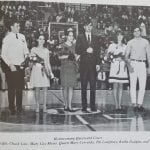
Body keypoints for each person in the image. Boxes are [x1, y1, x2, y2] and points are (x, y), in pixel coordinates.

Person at [1, 19, 29, 115]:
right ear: (12, 27)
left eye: (19, 26)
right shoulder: (7, 38)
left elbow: (26, 50)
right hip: (11, 66)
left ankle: (19, 107)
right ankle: (12, 107)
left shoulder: (22, 37)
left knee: (20, 88)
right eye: (17, 26)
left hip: (21, 65)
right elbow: (3, 54)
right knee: (12, 88)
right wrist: (10, 64)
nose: (19, 27)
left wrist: (26, 58)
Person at [75, 19, 100, 113]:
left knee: (93, 87)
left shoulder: (95, 37)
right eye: (87, 25)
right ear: (84, 27)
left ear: (92, 27)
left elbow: (97, 52)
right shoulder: (80, 37)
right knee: (84, 86)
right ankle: (84, 106)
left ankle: (93, 106)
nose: (89, 27)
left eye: (90, 26)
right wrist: (86, 49)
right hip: (84, 65)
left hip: (93, 66)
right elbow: (77, 50)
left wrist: (98, 63)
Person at [125, 26, 150, 112]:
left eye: (138, 31)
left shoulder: (146, 42)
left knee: (142, 85)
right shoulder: (130, 42)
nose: (136, 32)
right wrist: (129, 66)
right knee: (133, 85)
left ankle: (140, 104)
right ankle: (134, 104)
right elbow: (126, 56)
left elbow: (148, 56)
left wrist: (149, 67)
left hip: (142, 64)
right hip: (133, 64)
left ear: (140, 31)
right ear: (133, 33)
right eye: (135, 31)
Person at [30, 34, 54, 113]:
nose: (41, 40)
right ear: (37, 40)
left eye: (43, 39)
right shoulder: (33, 49)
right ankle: (37, 105)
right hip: (36, 70)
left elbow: (48, 63)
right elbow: (31, 61)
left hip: (44, 70)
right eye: (40, 39)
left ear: (44, 41)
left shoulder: (46, 50)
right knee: (37, 89)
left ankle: (44, 106)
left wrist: (50, 73)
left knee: (45, 89)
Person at [107, 31, 129, 112]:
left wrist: (123, 59)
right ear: (116, 36)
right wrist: (115, 58)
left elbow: (127, 57)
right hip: (115, 66)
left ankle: (120, 105)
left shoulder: (125, 46)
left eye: (121, 35)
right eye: (118, 35)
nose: (120, 36)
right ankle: (116, 105)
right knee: (115, 85)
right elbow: (108, 57)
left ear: (123, 36)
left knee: (121, 86)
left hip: (122, 67)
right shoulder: (112, 45)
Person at [59, 28, 77, 112]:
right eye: (69, 35)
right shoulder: (62, 45)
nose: (71, 37)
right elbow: (59, 57)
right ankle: (65, 105)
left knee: (71, 87)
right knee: (65, 87)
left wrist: (76, 57)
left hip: (72, 67)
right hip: (65, 67)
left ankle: (70, 106)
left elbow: (77, 56)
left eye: (72, 36)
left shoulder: (75, 46)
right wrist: (67, 56)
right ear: (66, 36)